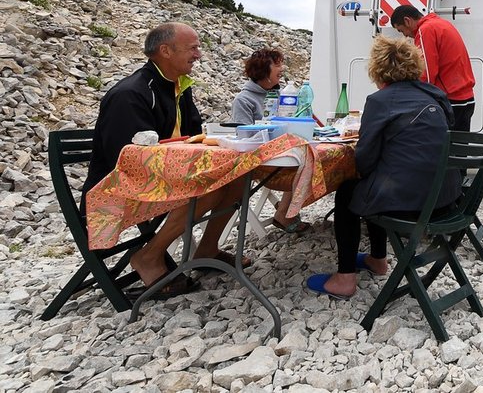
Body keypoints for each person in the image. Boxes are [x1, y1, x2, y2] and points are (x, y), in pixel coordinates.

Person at [85, 22, 250, 298]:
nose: (199, 54)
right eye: (193, 48)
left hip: (160, 179)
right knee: (209, 184)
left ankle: (208, 248)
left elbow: (194, 136)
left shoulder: (178, 88)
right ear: (165, 51)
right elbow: (128, 161)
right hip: (116, 189)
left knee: (237, 174)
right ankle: (149, 255)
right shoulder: (130, 94)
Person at [307, 36, 459, 299]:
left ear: (377, 69)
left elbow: (364, 161)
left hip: (414, 205)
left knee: (349, 191)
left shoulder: (381, 101)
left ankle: (345, 279)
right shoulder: (436, 96)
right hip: (448, 200)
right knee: (374, 185)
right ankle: (377, 260)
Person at [230, 47, 309, 234]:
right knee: (305, 165)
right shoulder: (244, 99)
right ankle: (285, 213)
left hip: (282, 154)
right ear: (264, 70)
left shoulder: (283, 95)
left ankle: (284, 211)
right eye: (277, 64)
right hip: (258, 161)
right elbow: (245, 137)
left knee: (310, 160)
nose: (281, 68)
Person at [390, 4, 476, 132]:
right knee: (458, 148)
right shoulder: (441, 23)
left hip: (450, 100)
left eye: (401, 30)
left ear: (407, 21)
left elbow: (427, 74)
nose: (406, 36)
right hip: (466, 98)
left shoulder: (425, 30)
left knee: (439, 147)